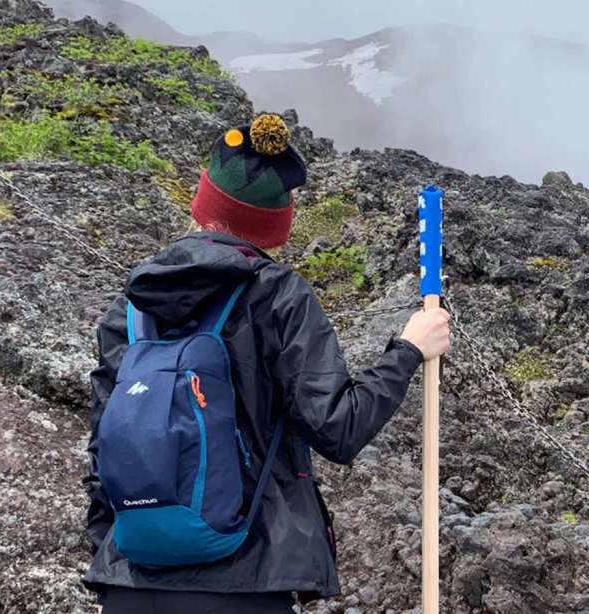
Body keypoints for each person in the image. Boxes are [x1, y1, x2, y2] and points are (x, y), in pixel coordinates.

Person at [81, 113, 451, 613]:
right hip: (247, 583)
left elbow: (105, 449)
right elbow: (338, 428)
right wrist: (408, 351)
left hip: (130, 585)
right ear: (276, 225)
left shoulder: (131, 307)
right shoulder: (278, 295)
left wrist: (111, 558)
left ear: (203, 196)